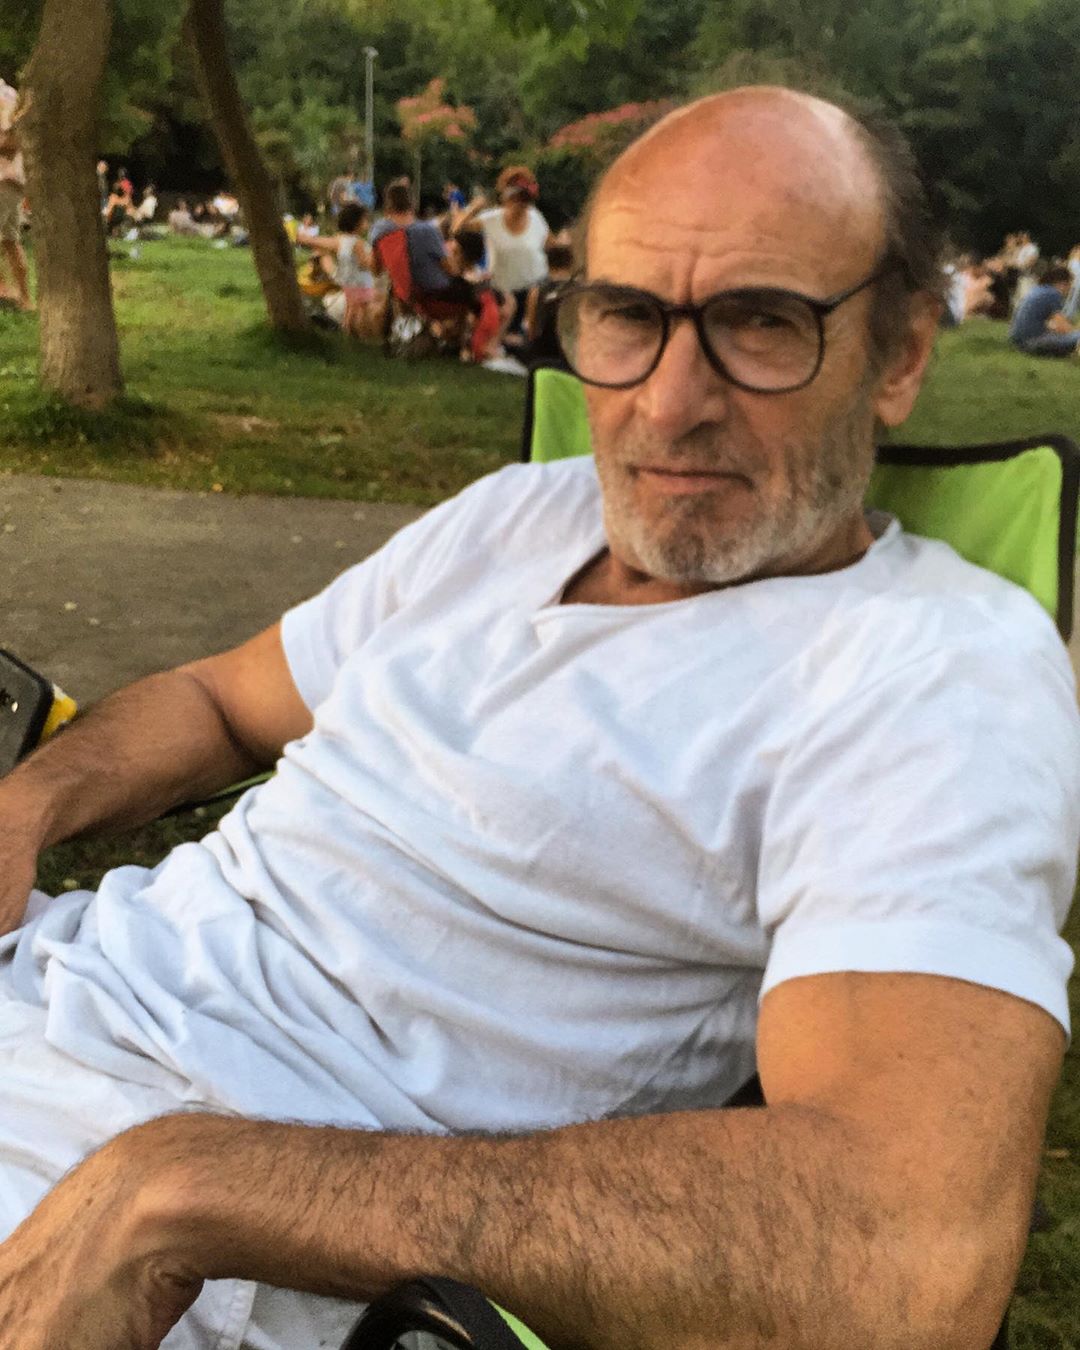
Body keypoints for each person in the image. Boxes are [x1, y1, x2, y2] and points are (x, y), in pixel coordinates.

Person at [0, 87, 1077, 1350]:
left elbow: (901, 1249)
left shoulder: (929, 670)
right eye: (628, 315)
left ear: (899, 356)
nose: (668, 404)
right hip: (57, 987)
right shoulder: (518, 515)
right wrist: (28, 805)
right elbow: (223, 699)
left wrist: (182, 1187)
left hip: (199, 1229)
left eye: (762, 324)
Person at [459, 166, 554, 343]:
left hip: (535, 291)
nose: (521, 204)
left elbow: (553, 247)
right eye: (516, 197)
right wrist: (473, 208)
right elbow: (457, 230)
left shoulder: (537, 218)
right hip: (505, 296)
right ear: (506, 197)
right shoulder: (491, 219)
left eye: (525, 199)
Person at [298, 201, 380, 339]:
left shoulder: (340, 239)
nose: (367, 223)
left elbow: (314, 241)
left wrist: (301, 237)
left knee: (351, 309)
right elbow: (365, 263)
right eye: (365, 220)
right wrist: (376, 257)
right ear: (357, 223)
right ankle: (360, 335)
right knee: (362, 311)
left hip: (348, 282)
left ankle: (346, 333)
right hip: (362, 282)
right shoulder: (358, 243)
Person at [0, 77, 32, 311]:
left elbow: (13, 141)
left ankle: (7, 292)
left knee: (10, 240)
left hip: (3, 179)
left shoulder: (5, 99)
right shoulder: (12, 96)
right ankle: (23, 297)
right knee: (10, 240)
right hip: (12, 181)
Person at [1008, 263, 1080, 357]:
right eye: (1069, 284)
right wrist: (1075, 332)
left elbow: (1050, 324)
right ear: (1062, 283)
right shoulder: (1053, 294)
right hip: (1033, 342)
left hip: (1019, 341)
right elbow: (1062, 326)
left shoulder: (1038, 289)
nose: (1070, 288)